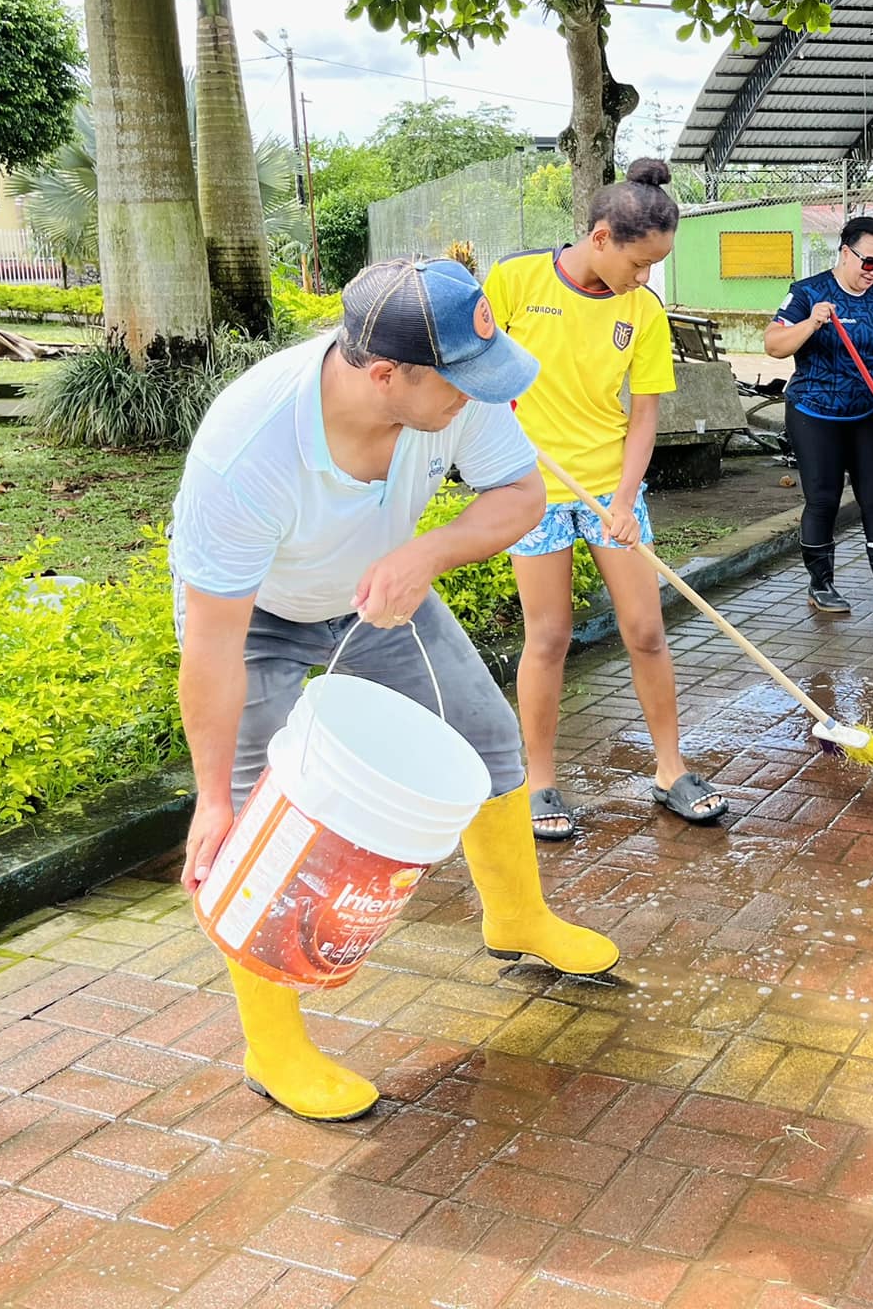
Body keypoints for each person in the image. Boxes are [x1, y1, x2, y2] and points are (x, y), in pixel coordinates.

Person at [170, 258, 619, 1123]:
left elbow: (521, 494)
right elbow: (214, 643)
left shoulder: (456, 390)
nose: (481, 395)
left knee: (487, 740)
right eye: (462, 383)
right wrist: (212, 801)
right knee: (258, 822)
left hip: (378, 593)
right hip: (255, 618)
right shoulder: (250, 450)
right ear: (386, 375)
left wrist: (427, 554)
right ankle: (275, 1046)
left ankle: (518, 917)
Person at [486, 157, 727, 843]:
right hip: (532, 487)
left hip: (608, 486)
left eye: (655, 267)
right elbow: (474, 372)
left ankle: (670, 769)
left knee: (646, 630)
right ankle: (538, 780)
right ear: (600, 238)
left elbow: (644, 414)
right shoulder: (515, 280)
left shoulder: (641, 310)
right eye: (639, 263)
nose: (644, 278)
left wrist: (624, 499)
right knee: (549, 637)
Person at [765, 216, 873, 615]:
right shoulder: (807, 292)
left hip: (866, 412)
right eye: (869, 262)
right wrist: (811, 322)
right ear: (845, 253)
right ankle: (821, 585)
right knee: (823, 499)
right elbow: (774, 344)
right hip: (814, 413)